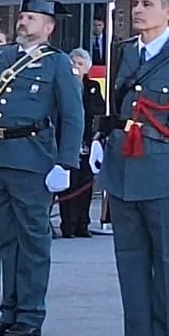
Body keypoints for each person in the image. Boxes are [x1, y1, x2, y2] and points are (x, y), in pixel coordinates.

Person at [0, 0, 82, 336]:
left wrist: (65, 162)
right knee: (6, 240)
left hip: (32, 157)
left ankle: (30, 313)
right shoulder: (2, 56)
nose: (23, 22)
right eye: (22, 17)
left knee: (32, 240)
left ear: (49, 27)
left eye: (31, 18)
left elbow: (72, 115)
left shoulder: (56, 64)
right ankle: (9, 310)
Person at [95, 0, 169, 336]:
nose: (139, 10)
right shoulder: (124, 52)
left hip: (165, 170)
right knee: (130, 263)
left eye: (147, 3)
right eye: (137, 2)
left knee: (168, 263)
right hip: (124, 169)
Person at [60, 48, 102, 239]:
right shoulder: (63, 86)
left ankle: (83, 224)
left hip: (86, 141)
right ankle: (67, 225)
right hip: (67, 141)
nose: (76, 67)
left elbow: (98, 110)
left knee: (85, 182)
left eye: (80, 64)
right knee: (68, 184)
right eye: (73, 63)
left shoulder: (92, 87)